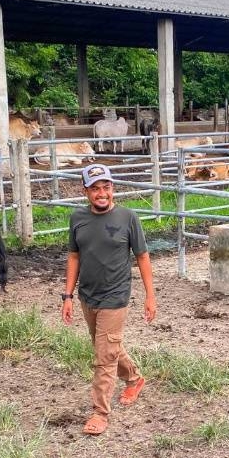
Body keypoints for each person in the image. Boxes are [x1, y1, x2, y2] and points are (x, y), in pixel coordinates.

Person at [61, 163, 157, 435]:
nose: (101, 193)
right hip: (87, 295)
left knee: (104, 356)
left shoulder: (128, 217)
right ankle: (134, 378)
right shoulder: (77, 218)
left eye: (106, 187)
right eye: (95, 188)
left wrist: (150, 295)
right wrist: (68, 295)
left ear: (113, 188)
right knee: (107, 346)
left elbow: (142, 256)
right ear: (85, 191)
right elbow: (74, 256)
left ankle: (100, 413)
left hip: (116, 296)